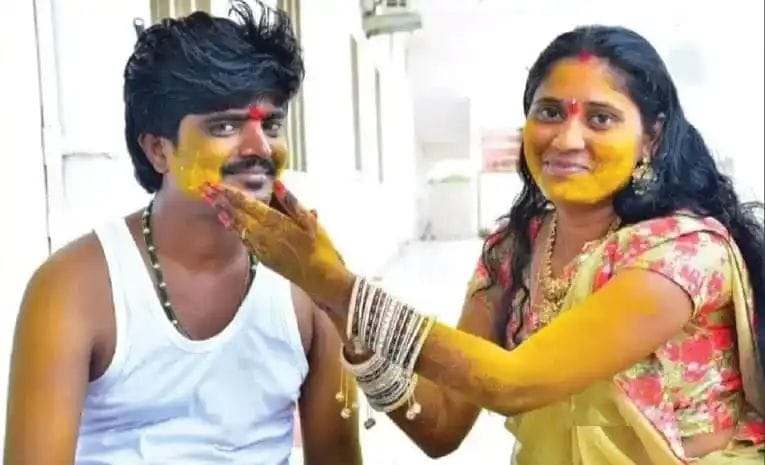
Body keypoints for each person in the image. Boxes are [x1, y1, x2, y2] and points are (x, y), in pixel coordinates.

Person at [204, 25, 765, 464]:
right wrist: (337, 306)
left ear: (652, 138)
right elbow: (440, 426)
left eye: (601, 119)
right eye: (549, 112)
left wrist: (340, 287)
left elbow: (511, 382)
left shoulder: (683, 253)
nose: (566, 139)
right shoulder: (514, 249)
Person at [3, 2, 362, 465]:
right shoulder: (72, 288)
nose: (260, 147)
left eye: (271, 124)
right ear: (158, 149)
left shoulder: (312, 279)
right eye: (225, 125)